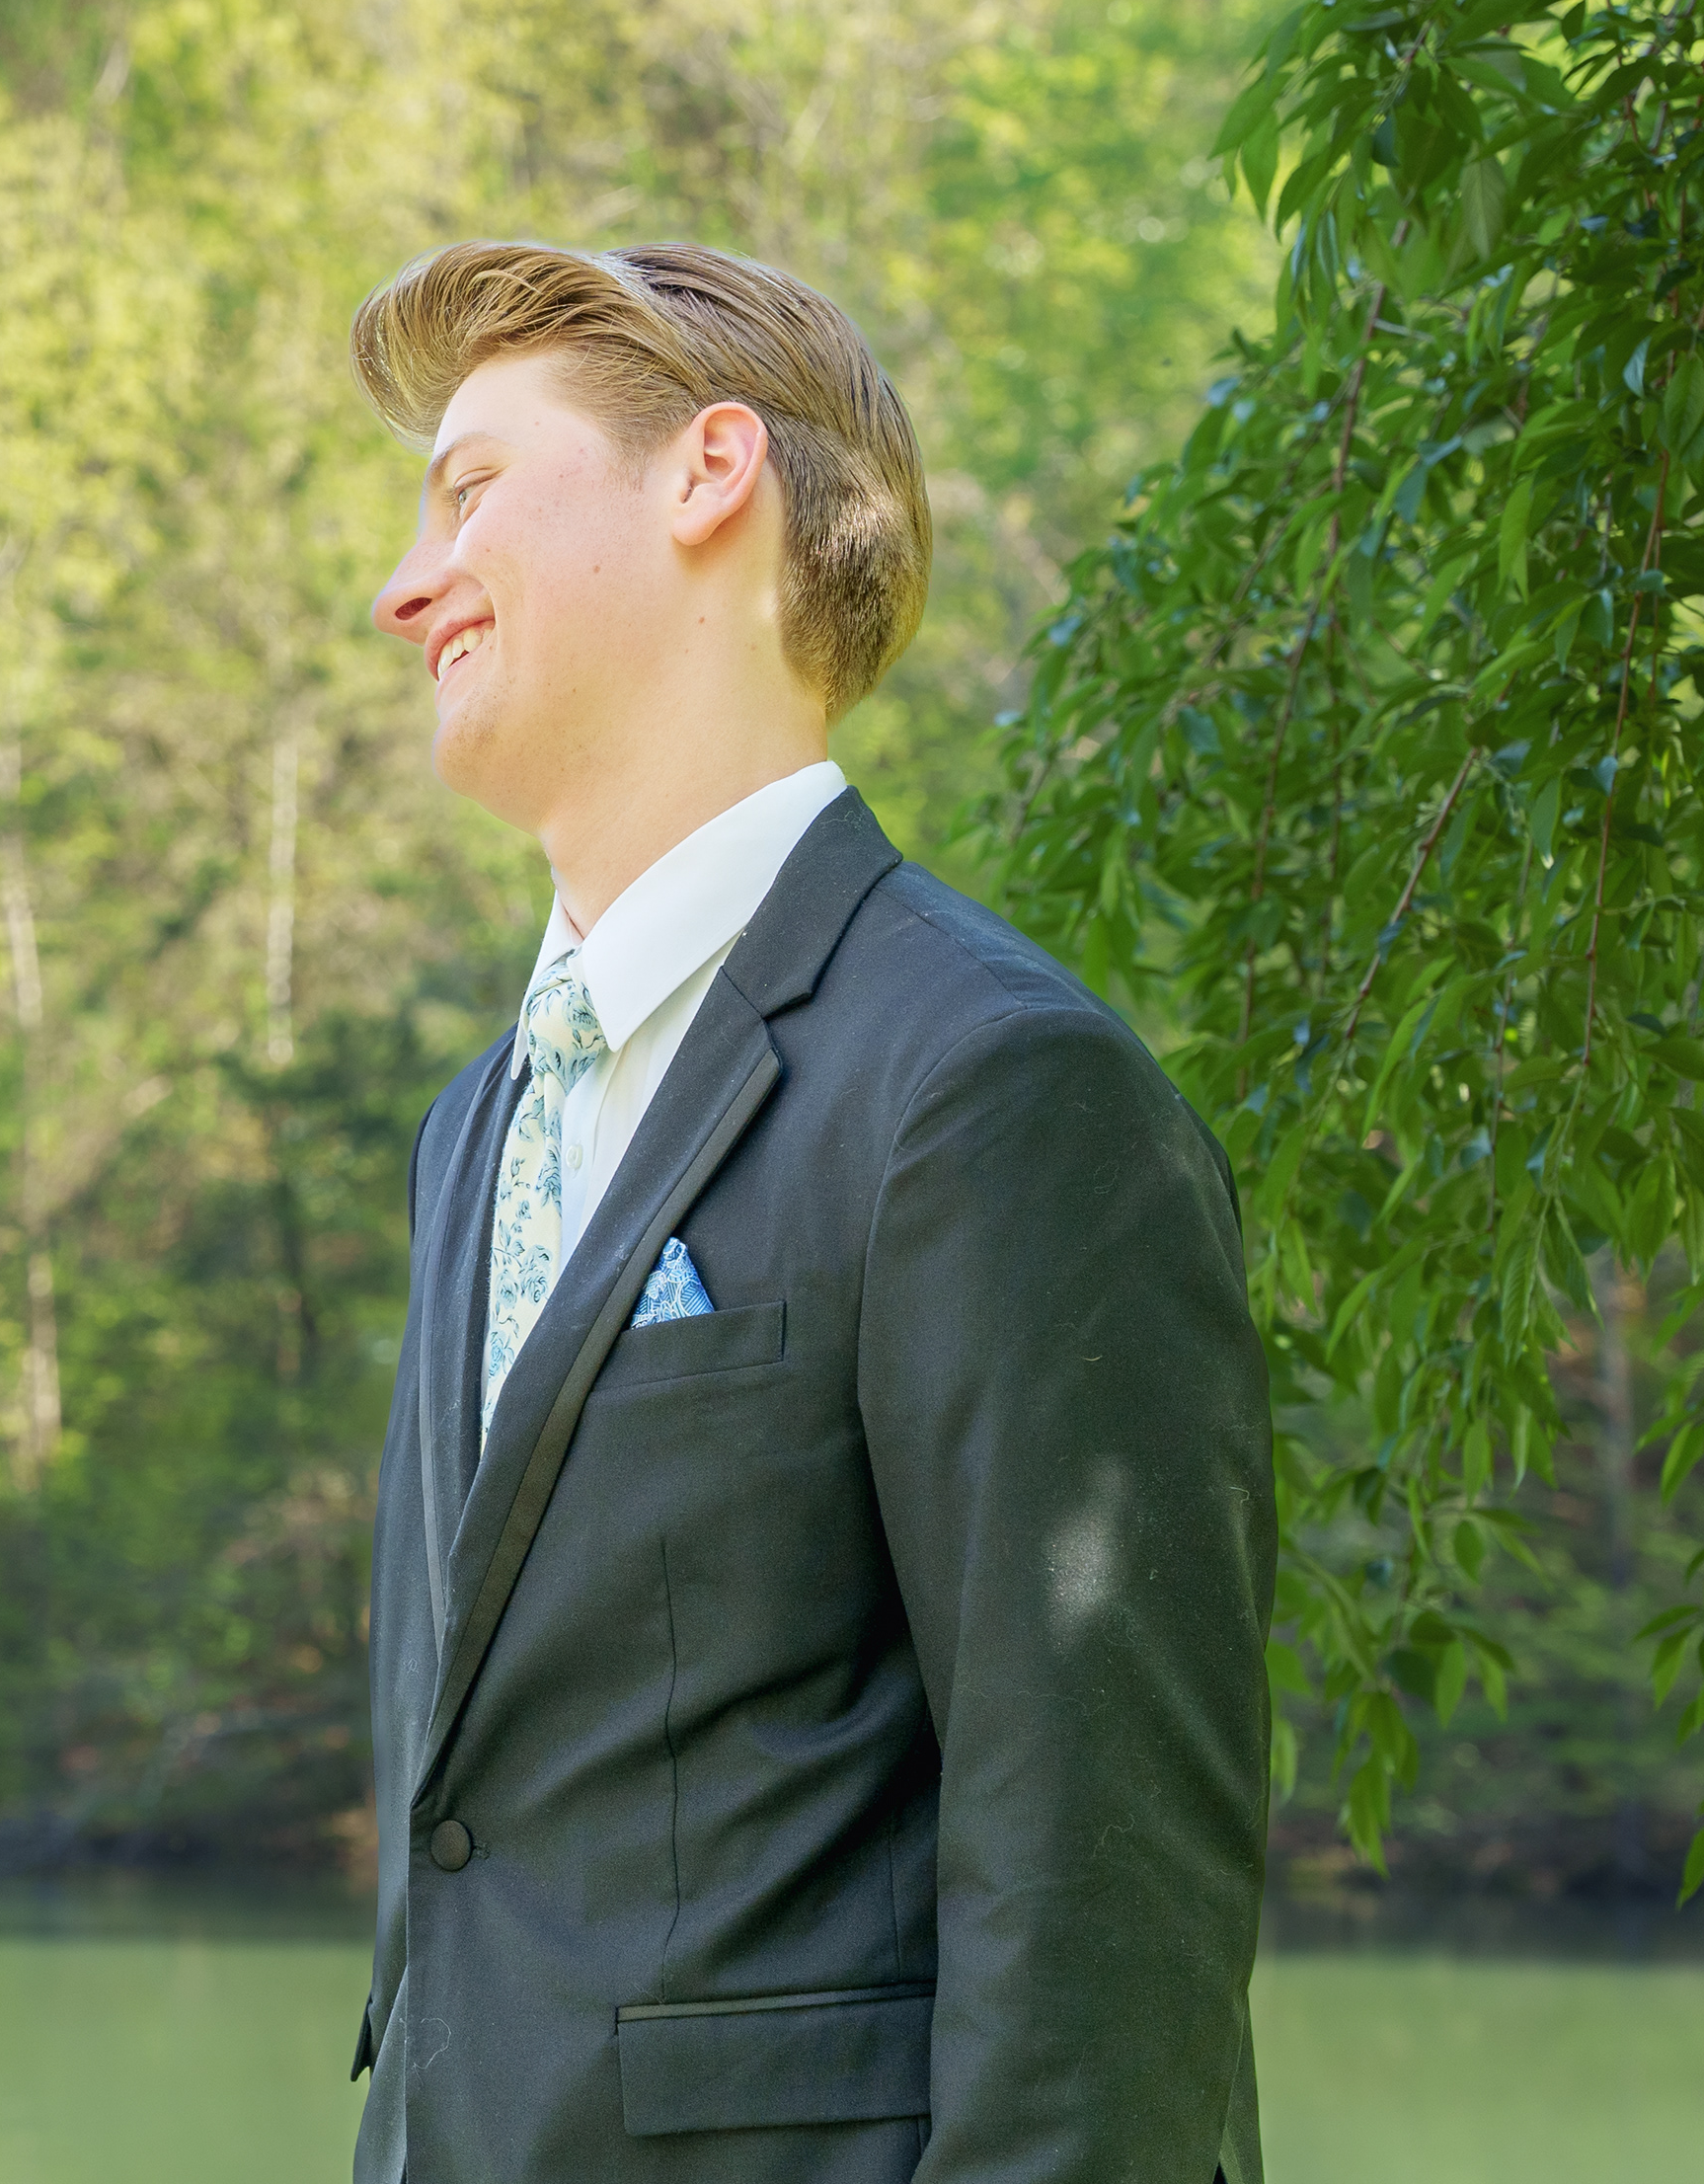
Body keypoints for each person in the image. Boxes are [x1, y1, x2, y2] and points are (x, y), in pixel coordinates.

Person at [344, 243, 1274, 2183]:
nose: (405, 583)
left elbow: (1106, 1913)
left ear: (710, 474)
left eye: (472, 489)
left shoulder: (994, 1085)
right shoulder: (472, 1129)